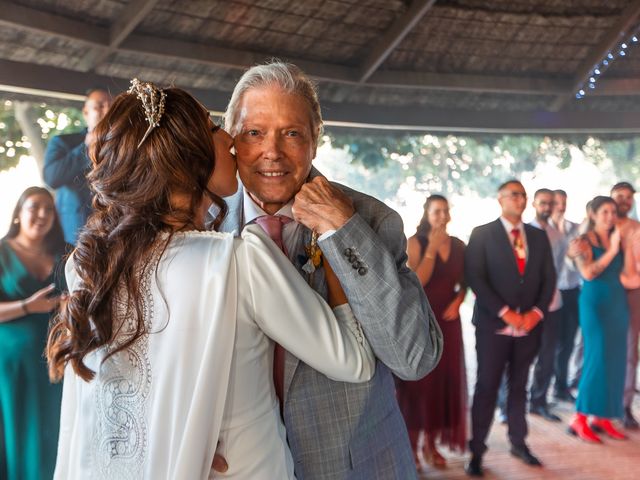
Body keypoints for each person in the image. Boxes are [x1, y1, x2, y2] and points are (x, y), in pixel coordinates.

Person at [47, 81, 376, 480]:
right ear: (191, 157)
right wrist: (332, 235)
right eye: (215, 129)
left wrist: (176, 442)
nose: (232, 142)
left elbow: (109, 405)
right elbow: (354, 362)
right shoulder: (238, 261)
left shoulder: (90, 267)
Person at [216, 61, 443, 479]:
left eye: (292, 133)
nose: (272, 151)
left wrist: (344, 231)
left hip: (355, 466)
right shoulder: (201, 225)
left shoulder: (371, 221)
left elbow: (414, 358)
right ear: (231, 140)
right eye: (254, 133)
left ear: (315, 141)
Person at [465, 180, 555, 477]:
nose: (521, 199)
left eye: (523, 195)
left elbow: (548, 279)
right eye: (515, 195)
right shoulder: (482, 234)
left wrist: (536, 313)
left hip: (529, 327)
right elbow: (475, 278)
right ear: (500, 199)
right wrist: (506, 313)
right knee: (487, 387)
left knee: (520, 387)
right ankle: (476, 450)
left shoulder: (538, 236)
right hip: (494, 326)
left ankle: (519, 441)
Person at [0, 186, 67, 480]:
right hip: (13, 365)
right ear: (18, 214)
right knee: (20, 432)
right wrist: (28, 306)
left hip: (56, 362)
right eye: (34, 208)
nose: (41, 214)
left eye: (48, 209)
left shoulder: (66, 253)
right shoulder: (2, 253)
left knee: (55, 430)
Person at [396, 195, 467, 469]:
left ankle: (432, 446)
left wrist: (460, 300)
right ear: (427, 213)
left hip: (449, 322)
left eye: (445, 211)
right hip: (423, 321)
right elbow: (417, 281)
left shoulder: (460, 245)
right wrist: (432, 250)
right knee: (419, 387)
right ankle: (411, 449)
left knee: (442, 386)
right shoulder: (416, 242)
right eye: (436, 211)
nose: (441, 215)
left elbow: (466, 281)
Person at [567, 196, 631, 443]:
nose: (610, 216)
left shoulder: (619, 237)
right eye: (604, 211)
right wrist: (613, 249)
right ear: (592, 214)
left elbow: (626, 272)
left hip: (618, 302)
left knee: (615, 360)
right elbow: (588, 273)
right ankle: (580, 417)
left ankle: (602, 416)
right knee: (595, 358)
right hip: (594, 303)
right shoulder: (583, 241)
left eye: (613, 212)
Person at [43, 88, 112, 245]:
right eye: (100, 106)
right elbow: (52, 178)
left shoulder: (125, 148)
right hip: (76, 238)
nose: (107, 110)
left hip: (117, 233)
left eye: (112, 106)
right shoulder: (63, 142)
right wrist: (87, 148)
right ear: (86, 112)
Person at [528, 188, 564, 422]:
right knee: (517, 357)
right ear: (534, 204)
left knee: (548, 355)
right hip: (526, 306)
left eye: (550, 203)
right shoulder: (524, 232)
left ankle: (538, 400)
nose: (547, 207)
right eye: (543, 203)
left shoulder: (558, 235)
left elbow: (558, 270)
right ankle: (506, 403)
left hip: (552, 304)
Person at [610, 182, 640, 429]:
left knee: (630, 352)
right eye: (620, 196)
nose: (625, 200)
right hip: (604, 294)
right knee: (600, 350)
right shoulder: (602, 226)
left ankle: (625, 406)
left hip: (632, 293)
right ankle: (600, 405)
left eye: (629, 197)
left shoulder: (637, 229)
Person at [548, 189, 582, 403]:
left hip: (571, 291)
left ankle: (561, 386)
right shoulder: (542, 231)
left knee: (568, 342)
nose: (561, 206)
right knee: (550, 343)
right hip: (551, 292)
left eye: (564, 202)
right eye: (557, 202)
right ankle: (542, 389)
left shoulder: (575, 228)